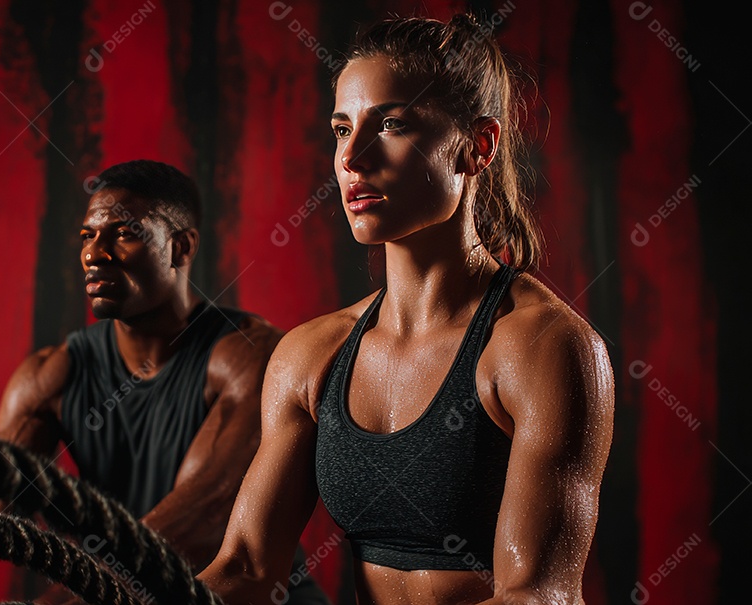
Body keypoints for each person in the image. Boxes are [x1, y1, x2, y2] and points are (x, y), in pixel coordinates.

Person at [198, 15, 614, 605]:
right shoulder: (311, 354)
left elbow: (537, 595)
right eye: (342, 129)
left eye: (392, 124)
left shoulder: (543, 346)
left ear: (477, 147)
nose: (353, 158)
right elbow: (244, 567)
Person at [0, 160, 329, 605]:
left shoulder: (249, 358)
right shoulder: (53, 375)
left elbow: (203, 519)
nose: (95, 254)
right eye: (87, 236)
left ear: (180, 247)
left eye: (125, 233)